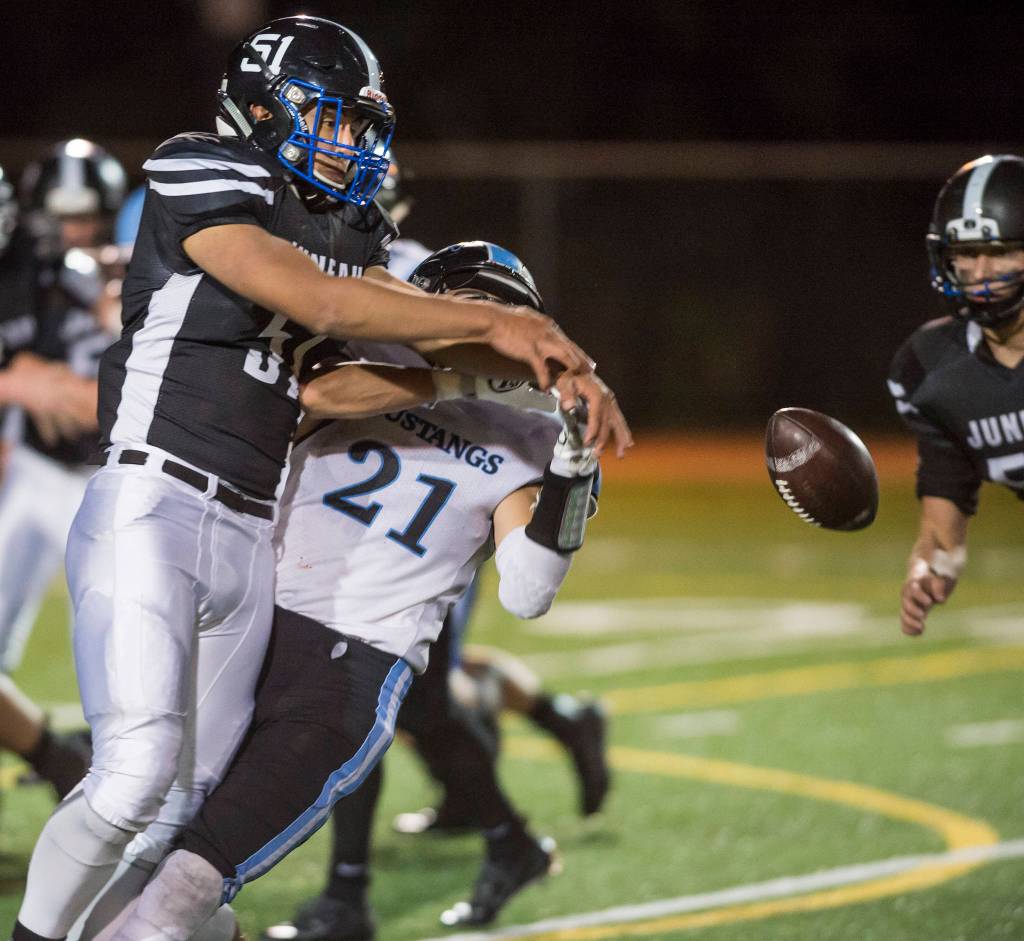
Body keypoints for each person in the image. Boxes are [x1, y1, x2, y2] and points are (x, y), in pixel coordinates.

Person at [9, 15, 627, 941]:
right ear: (263, 109)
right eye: (332, 120)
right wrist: (509, 336)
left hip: (252, 529)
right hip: (156, 495)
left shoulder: (348, 223)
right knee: (135, 769)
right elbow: (319, 302)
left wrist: (555, 375)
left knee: (185, 820)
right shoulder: (200, 167)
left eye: (360, 126)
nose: (351, 145)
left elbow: (383, 336)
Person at [99, 241, 603, 941]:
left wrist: (573, 470)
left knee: (183, 883)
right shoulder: (376, 364)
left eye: (499, 319)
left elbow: (529, 589)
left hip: (352, 664)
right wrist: (464, 380)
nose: (481, 332)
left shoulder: (534, 434)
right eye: (467, 312)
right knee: (127, 853)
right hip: (244, 625)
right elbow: (317, 392)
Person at [0, 142, 127, 805]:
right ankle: (60, 761)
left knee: (127, 645)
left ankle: (105, 774)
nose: (73, 230)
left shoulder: (81, 273)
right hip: (37, 471)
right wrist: (19, 383)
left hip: (103, 482)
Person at [889, 153, 1024, 636]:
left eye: (1001, 251)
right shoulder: (930, 369)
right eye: (965, 253)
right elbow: (943, 524)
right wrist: (930, 567)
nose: (981, 270)